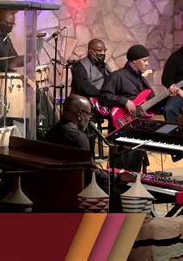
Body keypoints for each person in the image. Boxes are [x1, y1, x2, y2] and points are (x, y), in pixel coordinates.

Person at [99, 44, 154, 172]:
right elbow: (103, 97)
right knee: (120, 167)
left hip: (138, 125)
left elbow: (152, 99)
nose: (147, 64)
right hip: (121, 124)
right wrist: (124, 101)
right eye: (144, 60)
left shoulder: (142, 80)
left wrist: (169, 95)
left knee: (135, 168)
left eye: (147, 61)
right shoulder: (117, 76)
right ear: (134, 61)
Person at [44, 94, 109, 192]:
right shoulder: (78, 138)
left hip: (51, 187)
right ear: (79, 114)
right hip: (74, 191)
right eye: (88, 114)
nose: (89, 119)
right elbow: (89, 173)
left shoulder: (51, 133)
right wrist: (113, 176)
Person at [71, 39, 111, 158]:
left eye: (104, 50)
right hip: (86, 107)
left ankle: (116, 152)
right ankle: (89, 159)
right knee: (89, 136)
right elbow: (84, 87)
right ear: (91, 52)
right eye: (100, 50)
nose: (103, 53)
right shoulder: (81, 66)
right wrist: (101, 95)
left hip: (103, 103)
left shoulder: (105, 66)